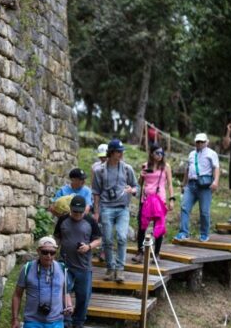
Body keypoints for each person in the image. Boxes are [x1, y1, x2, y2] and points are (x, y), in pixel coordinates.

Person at [92, 139, 138, 282]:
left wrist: (132, 190)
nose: (121, 154)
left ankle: (120, 269)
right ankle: (110, 268)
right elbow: (96, 192)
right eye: (119, 151)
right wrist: (96, 211)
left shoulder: (127, 168)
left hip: (123, 208)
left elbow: (137, 187)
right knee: (107, 239)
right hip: (106, 207)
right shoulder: (99, 170)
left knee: (122, 237)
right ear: (111, 153)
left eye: (122, 151)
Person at [54, 196, 102, 328]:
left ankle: (78, 322)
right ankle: (66, 320)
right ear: (70, 209)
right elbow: (57, 237)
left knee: (83, 296)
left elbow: (98, 239)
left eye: (81, 212)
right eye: (75, 212)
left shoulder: (90, 221)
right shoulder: (63, 220)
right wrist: (53, 251)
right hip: (65, 263)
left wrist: (88, 247)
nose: (78, 215)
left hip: (84, 265)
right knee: (63, 290)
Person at [11, 236, 73, 328]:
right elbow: (17, 295)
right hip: (32, 322)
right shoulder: (27, 268)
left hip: (56, 322)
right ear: (38, 251)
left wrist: (69, 305)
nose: (49, 255)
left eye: (52, 253)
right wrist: (15, 319)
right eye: (45, 252)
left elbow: (65, 292)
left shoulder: (62, 268)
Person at [132, 144, 175, 263]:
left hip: (160, 199)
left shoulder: (166, 167)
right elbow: (140, 183)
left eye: (162, 153)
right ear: (151, 153)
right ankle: (140, 252)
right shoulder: (145, 166)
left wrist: (172, 199)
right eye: (157, 153)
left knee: (159, 226)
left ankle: (157, 253)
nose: (160, 155)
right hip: (145, 199)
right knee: (142, 225)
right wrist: (141, 176)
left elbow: (170, 184)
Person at [175, 133, 220, 242]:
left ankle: (204, 233)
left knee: (204, 211)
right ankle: (183, 232)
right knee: (184, 207)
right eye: (197, 141)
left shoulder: (211, 153)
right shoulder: (191, 154)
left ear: (206, 142)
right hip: (191, 185)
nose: (199, 144)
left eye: (202, 142)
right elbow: (188, 169)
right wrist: (183, 183)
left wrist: (216, 181)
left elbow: (216, 167)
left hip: (205, 185)